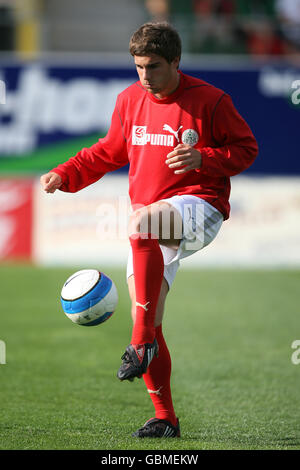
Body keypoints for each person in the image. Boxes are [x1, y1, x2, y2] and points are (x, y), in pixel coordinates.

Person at [40, 22, 258, 438]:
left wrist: (204, 159)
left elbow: (246, 149)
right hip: (152, 229)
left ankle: (139, 342)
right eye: (138, 66)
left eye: (153, 67)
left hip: (200, 207)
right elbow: (108, 151)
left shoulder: (211, 100)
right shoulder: (129, 100)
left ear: (175, 61)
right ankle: (165, 418)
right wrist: (64, 173)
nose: (144, 76)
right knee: (150, 319)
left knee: (141, 223)